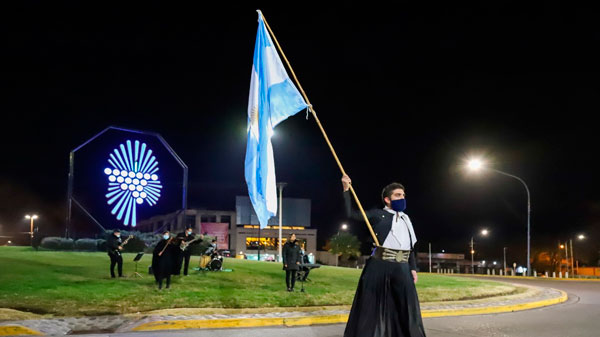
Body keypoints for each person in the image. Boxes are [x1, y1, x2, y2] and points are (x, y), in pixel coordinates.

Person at [341, 174, 426, 337]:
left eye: (403, 195)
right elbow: (351, 214)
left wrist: (413, 268)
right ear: (387, 199)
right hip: (379, 265)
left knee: (407, 305)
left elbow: (410, 246)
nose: (402, 198)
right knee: (372, 305)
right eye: (398, 195)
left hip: (402, 267)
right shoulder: (377, 214)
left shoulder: (406, 219)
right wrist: (346, 190)